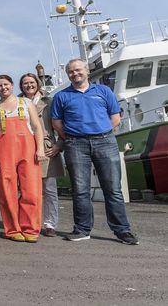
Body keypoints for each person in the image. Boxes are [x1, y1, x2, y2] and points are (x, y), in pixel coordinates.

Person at [51, 58, 139, 245]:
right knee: (80, 190)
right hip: (76, 145)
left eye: (78, 70)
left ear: (86, 71)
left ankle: (122, 230)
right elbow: (57, 123)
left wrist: (99, 132)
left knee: (113, 189)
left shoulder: (104, 91)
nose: (75, 74)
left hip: (105, 142)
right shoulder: (62, 96)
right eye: (71, 72)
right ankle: (82, 229)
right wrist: (73, 137)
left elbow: (114, 118)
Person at [0, 75, 47, 243]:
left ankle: (30, 228)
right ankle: (12, 229)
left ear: (12, 86)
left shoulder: (26, 104)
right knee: (7, 191)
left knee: (32, 191)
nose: (3, 88)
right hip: (4, 153)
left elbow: (36, 127)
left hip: (28, 151)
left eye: (6, 84)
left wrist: (40, 148)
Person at [19, 73, 64, 237]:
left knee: (49, 188)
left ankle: (50, 223)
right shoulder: (17, 102)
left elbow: (61, 125)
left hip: (46, 147)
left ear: (37, 83)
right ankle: (29, 221)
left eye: (31, 82)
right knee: (26, 188)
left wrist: (60, 144)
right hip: (23, 147)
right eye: (25, 83)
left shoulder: (50, 102)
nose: (29, 85)